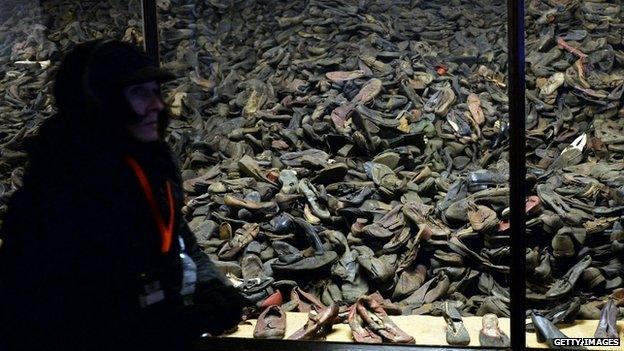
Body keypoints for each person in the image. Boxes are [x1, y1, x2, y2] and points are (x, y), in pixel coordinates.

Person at [0, 39, 247, 350]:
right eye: (139, 93)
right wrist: (171, 324)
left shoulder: (152, 161)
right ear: (98, 103)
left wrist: (210, 284)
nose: (157, 105)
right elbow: (56, 317)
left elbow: (176, 237)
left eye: (156, 91)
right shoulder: (56, 198)